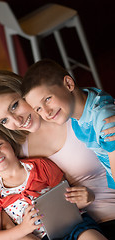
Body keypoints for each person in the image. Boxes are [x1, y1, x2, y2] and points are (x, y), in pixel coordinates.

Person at [0, 70, 115, 239]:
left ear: (26, 91)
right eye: (4, 121)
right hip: (68, 226)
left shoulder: (68, 109)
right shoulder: (17, 148)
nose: (17, 121)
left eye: (15, 105)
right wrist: (8, 224)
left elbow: (101, 110)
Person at [0, 125, 107, 240]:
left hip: (72, 225)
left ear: (10, 144)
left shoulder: (40, 166)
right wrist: (22, 229)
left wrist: (85, 198)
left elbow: (66, 196)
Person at [21, 59, 115, 190]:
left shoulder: (105, 121)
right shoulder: (80, 110)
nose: (47, 112)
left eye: (48, 99)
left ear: (69, 84)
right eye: (38, 109)